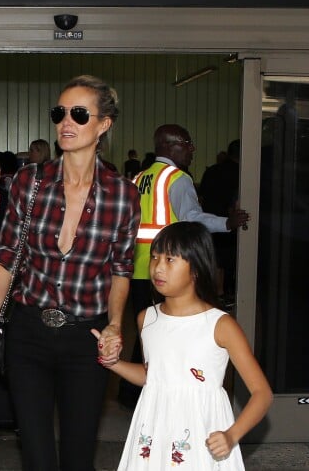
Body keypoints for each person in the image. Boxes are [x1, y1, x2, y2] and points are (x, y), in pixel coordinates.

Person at [0, 75, 141, 471]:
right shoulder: (29, 181)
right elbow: (7, 258)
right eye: (60, 113)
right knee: (38, 458)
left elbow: (121, 269)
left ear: (103, 124)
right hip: (29, 335)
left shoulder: (123, 194)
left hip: (85, 339)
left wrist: (114, 326)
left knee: (78, 457)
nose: (66, 122)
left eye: (79, 113)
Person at [95, 222, 272, 470]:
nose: (158, 267)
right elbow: (153, 375)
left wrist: (232, 435)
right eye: (155, 257)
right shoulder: (147, 318)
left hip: (199, 435)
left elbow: (262, 393)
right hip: (154, 428)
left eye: (170, 259)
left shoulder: (220, 325)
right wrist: (113, 363)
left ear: (196, 269)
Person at [118, 125, 249, 409]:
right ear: (171, 145)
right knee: (163, 336)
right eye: (188, 143)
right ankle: (149, 393)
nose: (192, 149)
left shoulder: (140, 177)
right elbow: (192, 218)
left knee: (146, 334)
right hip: (168, 269)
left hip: (140, 267)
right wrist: (227, 223)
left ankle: (129, 394)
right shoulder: (176, 178)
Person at [198, 139, 242, 300]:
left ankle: (216, 296)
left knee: (215, 261)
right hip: (233, 224)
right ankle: (231, 295)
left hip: (210, 223)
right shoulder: (244, 173)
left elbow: (201, 198)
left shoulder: (212, 171)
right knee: (233, 261)